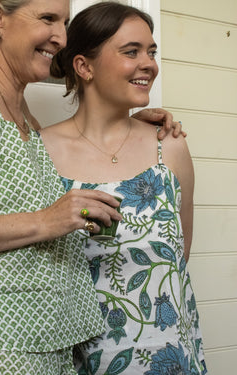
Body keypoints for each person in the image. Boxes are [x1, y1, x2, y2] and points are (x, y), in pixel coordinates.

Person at [0, 0, 183, 374]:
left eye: (64, 22)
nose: (61, 37)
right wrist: (45, 221)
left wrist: (129, 125)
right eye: (47, 19)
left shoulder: (25, 114)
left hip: (45, 349)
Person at [42, 2, 207, 374]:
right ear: (84, 66)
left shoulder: (170, 146)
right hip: (80, 360)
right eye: (131, 52)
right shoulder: (41, 153)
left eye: (151, 52)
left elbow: (178, 260)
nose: (148, 63)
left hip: (172, 357)